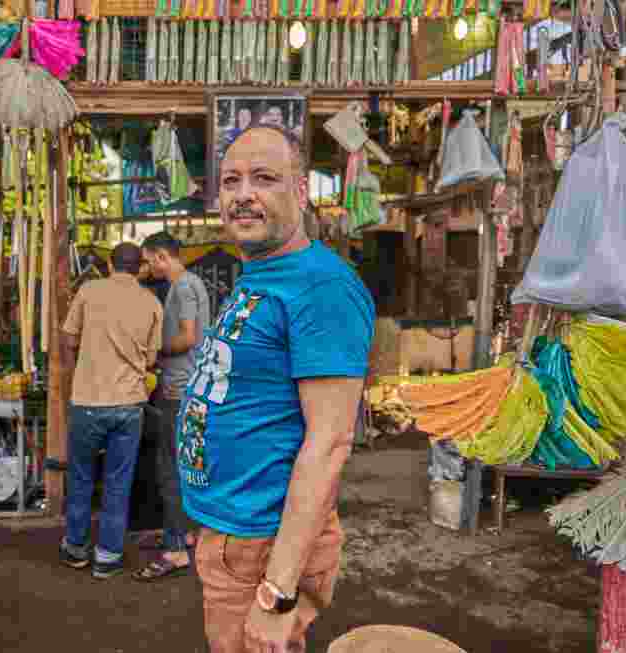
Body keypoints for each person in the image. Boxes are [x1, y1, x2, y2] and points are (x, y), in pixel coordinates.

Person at [181, 126, 375, 653]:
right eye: (231, 181)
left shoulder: (321, 286)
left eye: (264, 178)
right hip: (235, 531)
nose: (243, 194)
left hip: (261, 546)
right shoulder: (263, 273)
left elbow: (330, 444)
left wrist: (277, 595)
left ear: (301, 190)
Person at [59, 242, 163, 579]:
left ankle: (75, 548)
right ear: (140, 268)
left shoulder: (89, 290)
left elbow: (69, 339)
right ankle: (108, 556)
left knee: (81, 477)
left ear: (108, 263)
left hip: (88, 400)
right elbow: (150, 360)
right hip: (129, 404)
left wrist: (79, 373)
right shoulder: (151, 302)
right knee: (119, 482)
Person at [134, 232, 211, 582]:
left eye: (149, 261)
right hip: (192, 386)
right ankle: (183, 533)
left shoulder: (181, 287)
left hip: (179, 390)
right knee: (187, 465)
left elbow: (188, 337)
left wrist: (154, 351)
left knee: (170, 470)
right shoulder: (194, 284)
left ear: (162, 256)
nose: (147, 268)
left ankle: (176, 549)